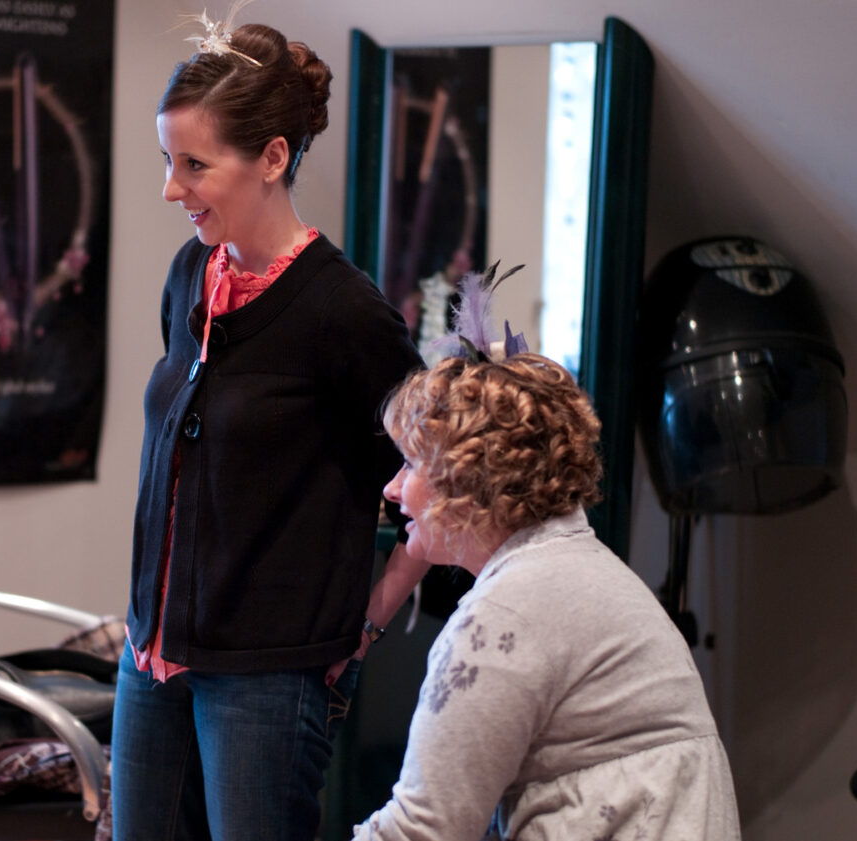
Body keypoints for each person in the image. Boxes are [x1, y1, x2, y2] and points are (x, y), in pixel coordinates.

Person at [110, 11, 428, 841]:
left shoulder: (346, 314)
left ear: (273, 158)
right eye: (167, 163)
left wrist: (365, 622)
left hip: (265, 682)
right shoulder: (190, 275)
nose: (172, 189)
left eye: (193, 166)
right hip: (150, 659)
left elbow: (440, 482)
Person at [353, 337, 742, 839]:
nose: (391, 488)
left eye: (409, 464)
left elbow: (426, 828)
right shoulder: (580, 568)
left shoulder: (506, 614)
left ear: (467, 480)